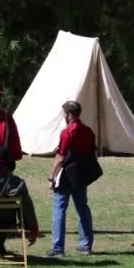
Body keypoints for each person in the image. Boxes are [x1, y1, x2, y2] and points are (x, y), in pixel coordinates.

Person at [46, 101, 96, 257]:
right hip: (81, 175)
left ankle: (57, 248)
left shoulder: (67, 132)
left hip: (67, 175)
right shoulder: (88, 131)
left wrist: (51, 177)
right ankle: (85, 245)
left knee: (59, 209)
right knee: (82, 208)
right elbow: (90, 152)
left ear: (68, 115)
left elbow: (60, 158)